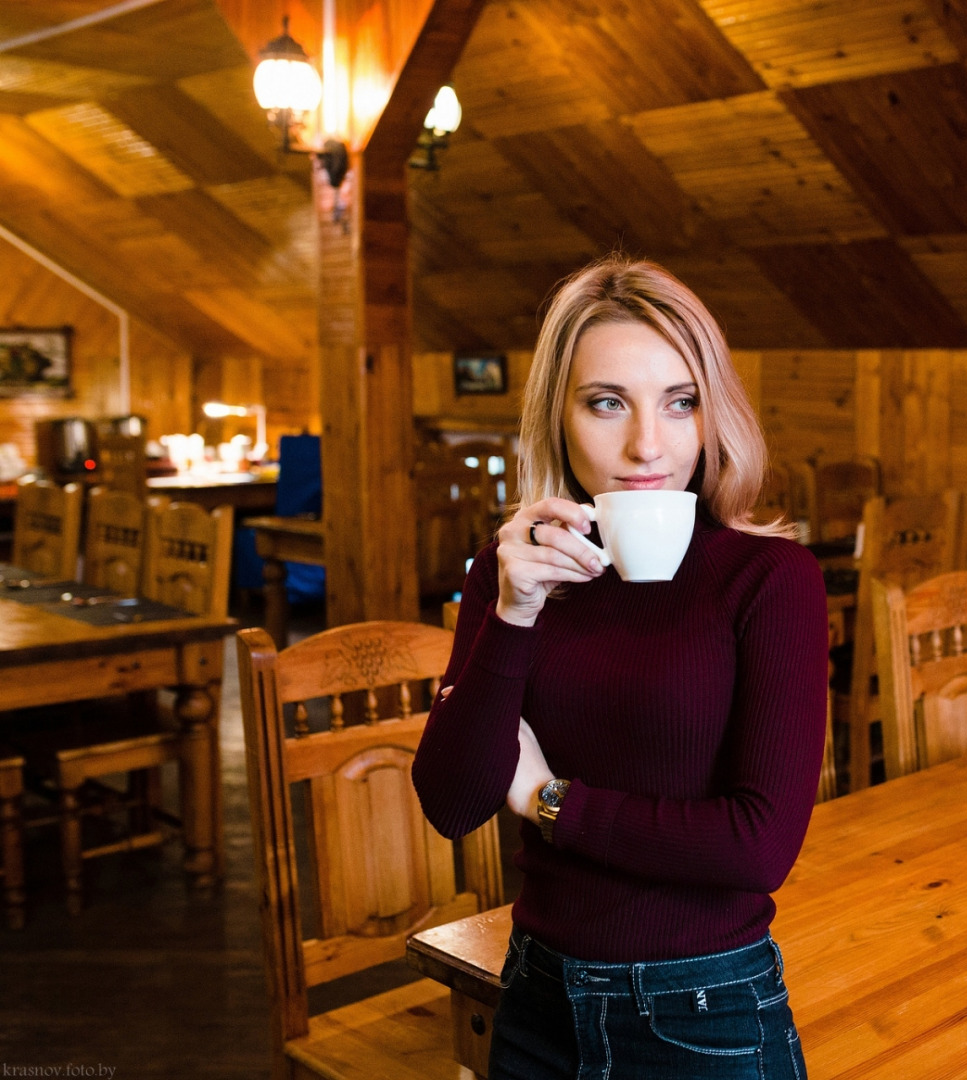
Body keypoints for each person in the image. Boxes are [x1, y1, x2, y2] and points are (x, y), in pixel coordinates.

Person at [412, 255, 828, 1079]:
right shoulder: (509, 576)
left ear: (713, 417)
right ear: (557, 418)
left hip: (703, 1013)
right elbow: (452, 803)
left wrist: (545, 799)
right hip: (533, 1000)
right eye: (607, 403)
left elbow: (756, 848)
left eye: (681, 403)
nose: (648, 444)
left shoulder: (768, 580)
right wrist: (513, 611)